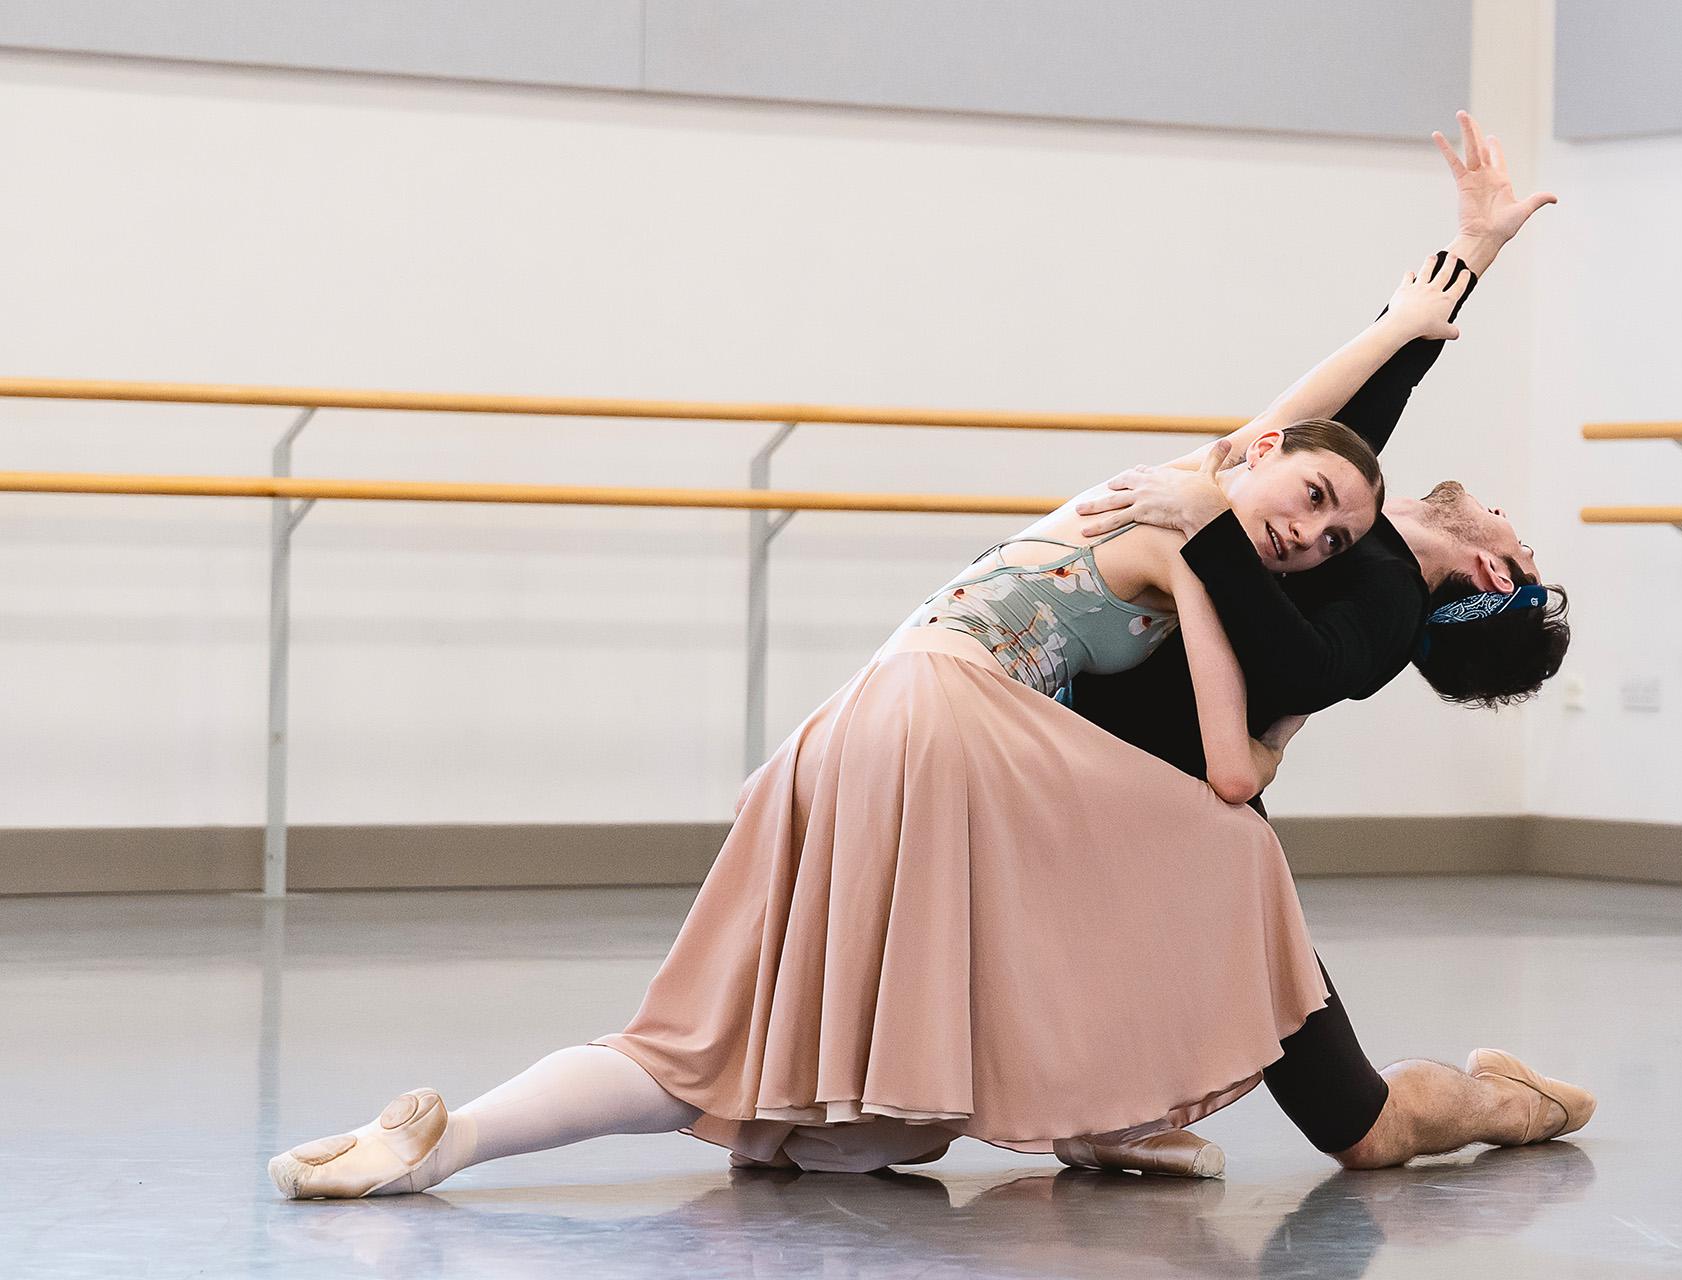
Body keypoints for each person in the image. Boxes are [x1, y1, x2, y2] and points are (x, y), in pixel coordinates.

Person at [266, 260, 1473, 1200]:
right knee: (1229, 852)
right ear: (1251, 461)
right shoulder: (1187, 538)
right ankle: (1117, 1102)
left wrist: (1407, 314)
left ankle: (452, 1134)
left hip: (844, 725)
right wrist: (1285, 709)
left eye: (1328, 542)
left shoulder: (1144, 484)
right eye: (1309, 508)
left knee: (719, 1038)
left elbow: (1291, 422)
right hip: (954, 730)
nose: (1305, 542)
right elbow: (1226, 767)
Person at [1059, 110, 1586, 1175]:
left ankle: (1511, 1102)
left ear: (1494, 571)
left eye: (1517, 535)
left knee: (1369, 1130)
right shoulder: (1355, 518)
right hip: (1120, 803)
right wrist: (1478, 246)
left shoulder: (1385, 601)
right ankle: (1110, 1112)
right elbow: (1387, 363)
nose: (1501, 508)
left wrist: (1202, 519)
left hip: (1208, 845)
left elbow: (1312, 667)